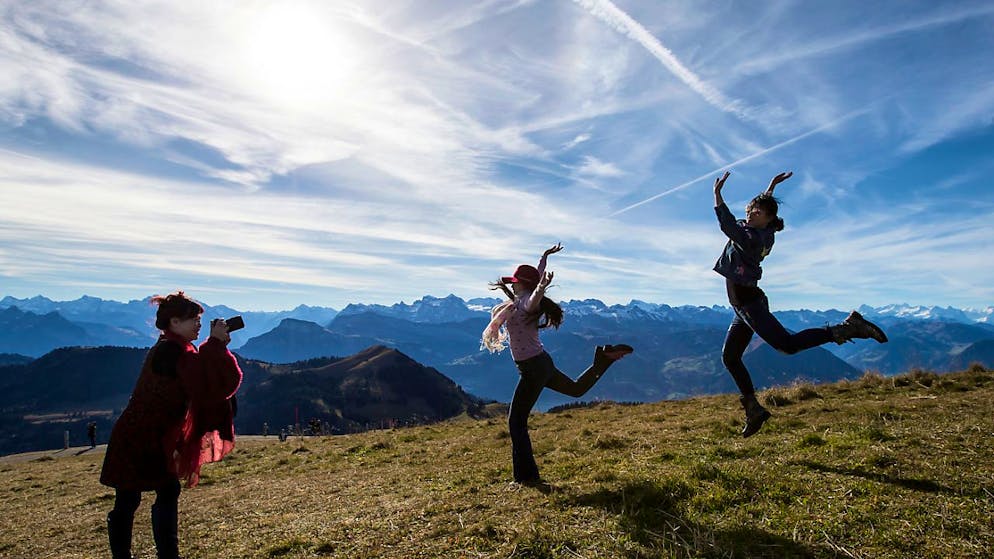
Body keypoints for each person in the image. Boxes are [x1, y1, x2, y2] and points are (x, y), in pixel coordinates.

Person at [713, 170, 888, 438]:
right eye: (751, 210)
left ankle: (847, 328)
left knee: (788, 345)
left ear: (768, 219)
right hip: (742, 306)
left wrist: (717, 195)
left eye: (757, 213)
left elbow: (728, 225)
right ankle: (754, 410)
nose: (750, 214)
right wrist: (770, 187)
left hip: (749, 303)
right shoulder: (764, 228)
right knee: (730, 357)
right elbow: (759, 212)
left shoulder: (751, 238)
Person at [100, 291, 243, 559]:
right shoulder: (173, 352)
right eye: (193, 319)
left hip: (136, 433)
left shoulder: (170, 348)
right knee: (155, 492)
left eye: (199, 319)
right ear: (174, 322)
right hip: (146, 437)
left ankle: (128, 555)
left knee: (132, 497)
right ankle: (166, 555)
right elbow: (207, 386)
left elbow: (204, 378)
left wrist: (215, 345)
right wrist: (215, 345)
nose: (198, 324)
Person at [482, 243, 633, 484]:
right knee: (575, 390)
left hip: (533, 368)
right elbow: (536, 280)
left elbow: (535, 295)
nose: (512, 284)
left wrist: (541, 286)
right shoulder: (517, 303)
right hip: (540, 363)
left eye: (515, 281)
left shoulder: (526, 304)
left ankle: (527, 478)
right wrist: (544, 258)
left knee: (516, 421)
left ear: (524, 284)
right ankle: (603, 359)